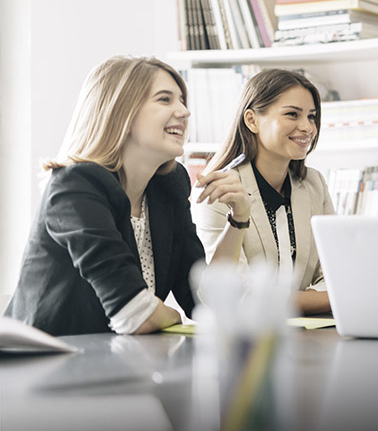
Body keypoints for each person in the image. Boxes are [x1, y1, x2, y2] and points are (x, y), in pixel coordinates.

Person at [4, 56, 250, 336]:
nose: (184, 112)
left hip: (115, 363)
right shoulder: (75, 185)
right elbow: (135, 316)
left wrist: (238, 219)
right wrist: (168, 314)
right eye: (164, 99)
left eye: (182, 100)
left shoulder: (169, 185)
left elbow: (207, 304)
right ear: (121, 111)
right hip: (44, 366)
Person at [193, 69, 334, 315]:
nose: (307, 127)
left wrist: (312, 297)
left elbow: (336, 271)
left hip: (310, 334)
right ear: (252, 120)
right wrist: (330, 299)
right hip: (244, 342)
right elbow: (239, 294)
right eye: (292, 114)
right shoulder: (218, 192)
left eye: (312, 117)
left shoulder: (314, 184)